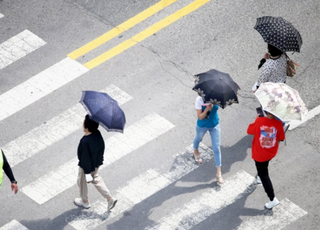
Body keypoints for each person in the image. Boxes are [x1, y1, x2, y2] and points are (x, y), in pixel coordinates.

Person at [74, 115, 117, 211]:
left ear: (86, 127)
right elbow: (102, 147)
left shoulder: (85, 141)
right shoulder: (97, 133)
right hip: (96, 164)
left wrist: (87, 173)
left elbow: (84, 159)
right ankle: (109, 198)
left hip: (86, 167)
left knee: (82, 182)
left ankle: (85, 201)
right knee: (95, 178)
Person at [247, 111, 285, 209]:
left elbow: (249, 131)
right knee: (263, 167)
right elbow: (281, 137)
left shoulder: (260, 121)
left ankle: (272, 198)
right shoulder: (279, 123)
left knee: (264, 175)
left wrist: (256, 119)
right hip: (270, 152)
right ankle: (259, 176)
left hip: (259, 154)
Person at [193, 95, 224, 184]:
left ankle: (219, 173)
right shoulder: (199, 99)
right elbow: (200, 117)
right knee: (198, 138)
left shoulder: (216, 97)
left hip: (215, 125)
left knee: (216, 148)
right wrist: (207, 109)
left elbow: (218, 108)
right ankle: (195, 150)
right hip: (202, 125)